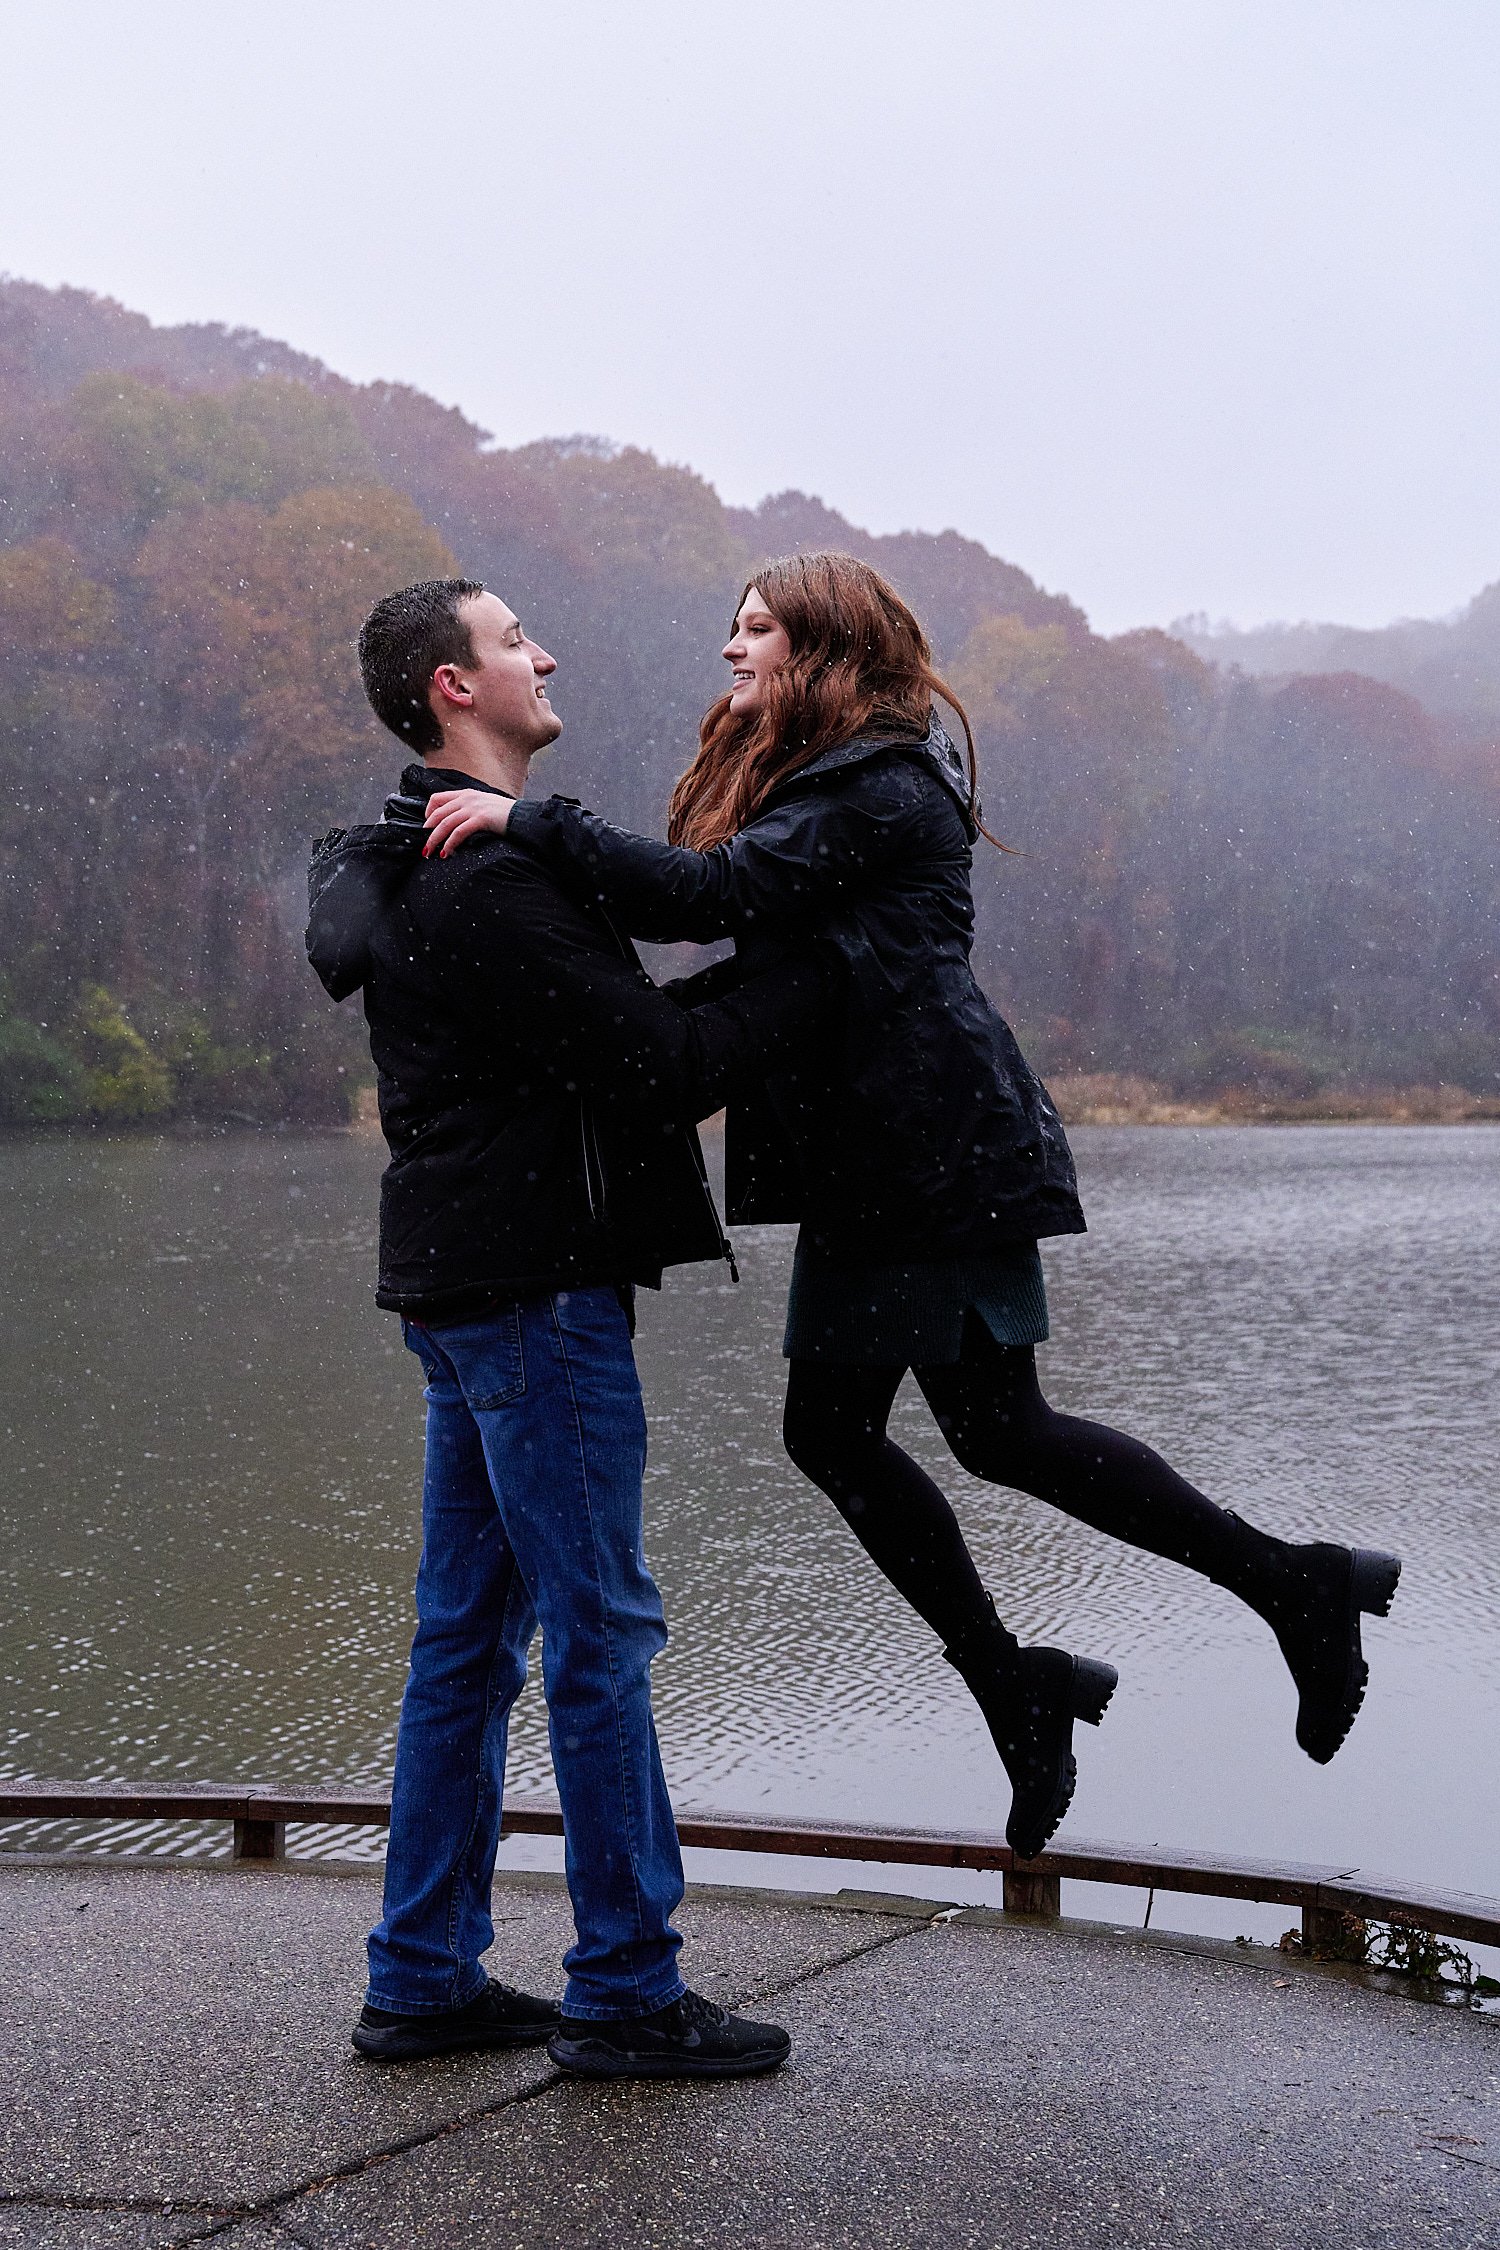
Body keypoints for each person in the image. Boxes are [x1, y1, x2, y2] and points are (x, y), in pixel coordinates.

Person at [420, 551, 1403, 1863]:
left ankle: (1203, 1617)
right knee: (964, 1429)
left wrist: (523, 821)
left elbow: (709, 900)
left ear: (827, 646)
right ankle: (1198, 1618)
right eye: (732, 625)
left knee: (931, 1430)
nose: (732, 650)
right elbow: (787, 973)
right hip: (899, 1155)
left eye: (757, 627)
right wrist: (630, 1038)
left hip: (934, 1152)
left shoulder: (883, 781)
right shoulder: (837, 781)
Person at [307, 576, 839, 2078]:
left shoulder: (424, 863)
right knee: (599, 1634)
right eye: (512, 638)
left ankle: (420, 1974)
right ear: (452, 690)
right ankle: (626, 1987)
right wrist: (813, 970)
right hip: (534, 1298)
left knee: (465, 1644)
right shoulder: (486, 883)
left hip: (464, 1287)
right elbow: (661, 1061)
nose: (545, 650)